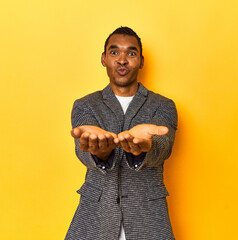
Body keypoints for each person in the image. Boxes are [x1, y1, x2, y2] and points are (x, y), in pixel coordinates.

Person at [65, 27, 178, 240]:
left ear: (141, 61)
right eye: (114, 52)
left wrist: (146, 148)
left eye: (131, 53)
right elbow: (83, 151)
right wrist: (100, 153)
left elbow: (164, 146)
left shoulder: (163, 105)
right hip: (96, 219)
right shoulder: (85, 105)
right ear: (103, 58)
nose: (122, 60)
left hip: (149, 219)